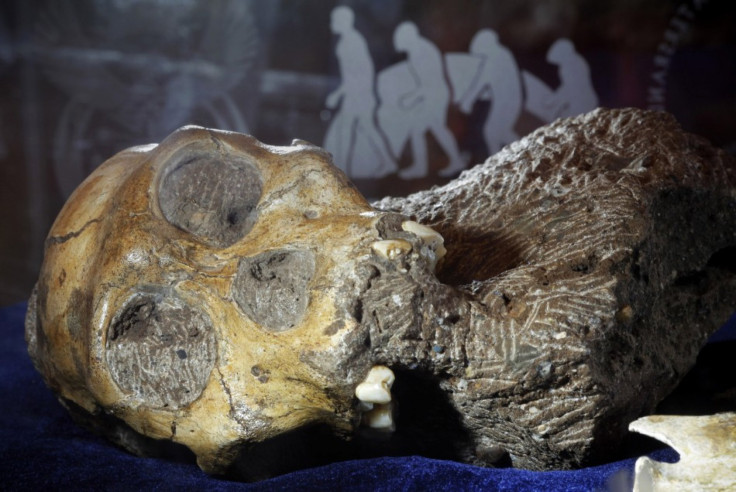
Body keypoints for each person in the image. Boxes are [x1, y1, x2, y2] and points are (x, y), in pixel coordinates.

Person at [324, 6, 395, 178]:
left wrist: (340, 94)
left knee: (349, 130)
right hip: (357, 94)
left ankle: (341, 169)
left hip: (359, 96)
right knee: (365, 128)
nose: (332, 24)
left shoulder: (351, 42)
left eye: (335, 20)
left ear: (345, 21)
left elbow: (362, 71)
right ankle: (387, 162)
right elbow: (354, 74)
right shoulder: (347, 41)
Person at [392, 21, 465, 179]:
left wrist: (412, 97)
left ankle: (432, 164)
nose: (397, 41)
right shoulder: (416, 51)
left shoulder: (421, 51)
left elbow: (430, 81)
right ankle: (454, 160)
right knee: (432, 128)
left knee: (424, 128)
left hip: (435, 95)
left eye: (399, 37)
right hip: (432, 95)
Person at [458, 29, 523, 155]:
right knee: (501, 132)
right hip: (507, 100)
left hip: (507, 101)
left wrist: (467, 101)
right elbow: (494, 81)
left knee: (492, 131)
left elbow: (482, 81)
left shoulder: (496, 56)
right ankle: (524, 152)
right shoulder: (502, 54)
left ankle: (503, 160)